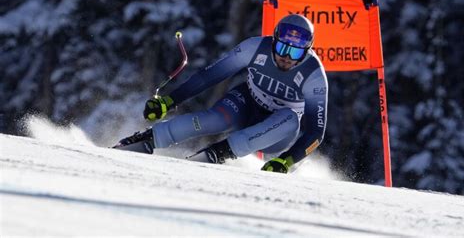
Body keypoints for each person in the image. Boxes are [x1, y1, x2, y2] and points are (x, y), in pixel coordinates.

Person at [114, 14, 328, 173]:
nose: (287, 57)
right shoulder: (254, 47)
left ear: (308, 50)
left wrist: (286, 161)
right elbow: (210, 75)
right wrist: (169, 101)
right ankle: (149, 138)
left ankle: (220, 152)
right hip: (248, 103)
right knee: (214, 120)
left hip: (278, 131)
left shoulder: (314, 75)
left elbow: (315, 133)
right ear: (274, 41)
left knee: (291, 118)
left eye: (296, 51)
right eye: (283, 48)